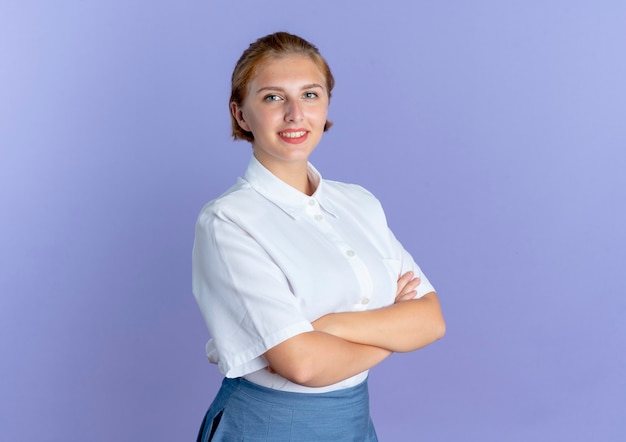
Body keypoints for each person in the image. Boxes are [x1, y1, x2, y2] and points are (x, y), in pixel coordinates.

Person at [192, 31, 445, 441]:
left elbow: (430, 320)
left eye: (310, 95)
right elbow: (303, 365)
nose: (295, 114)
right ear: (241, 115)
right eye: (273, 97)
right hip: (268, 424)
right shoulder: (228, 221)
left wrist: (328, 325)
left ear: (325, 103)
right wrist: (391, 336)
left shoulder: (359, 204)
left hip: (353, 421)